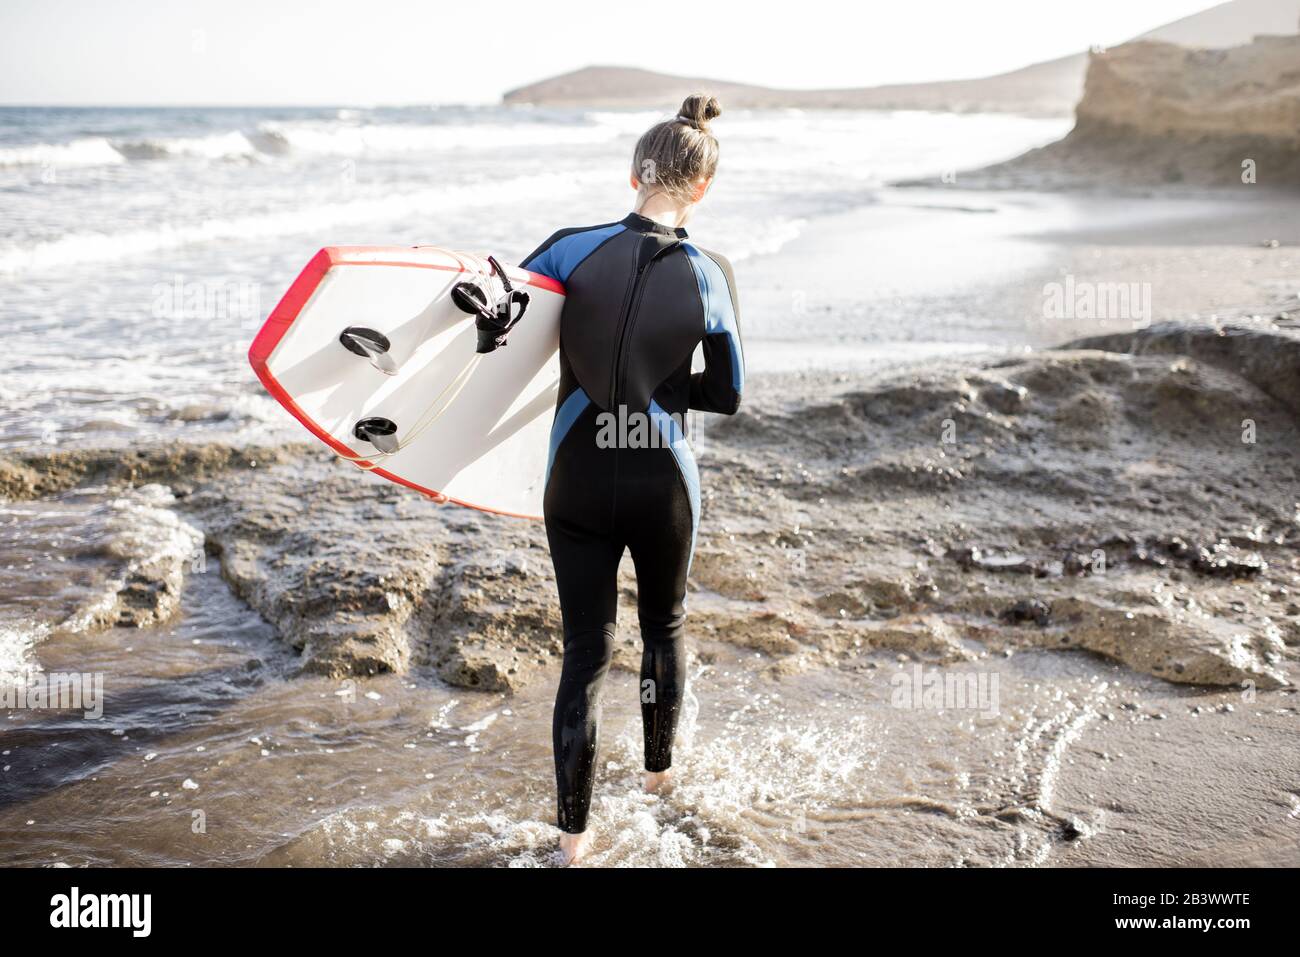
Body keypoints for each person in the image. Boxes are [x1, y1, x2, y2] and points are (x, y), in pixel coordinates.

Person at [521, 93, 744, 864]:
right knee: (664, 630)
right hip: (664, 480)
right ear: (703, 189)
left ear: (632, 174)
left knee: (585, 651)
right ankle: (658, 781)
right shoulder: (709, 274)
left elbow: (506, 339)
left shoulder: (565, 249)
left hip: (574, 477)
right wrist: (663, 391)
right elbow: (729, 395)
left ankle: (573, 842)